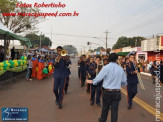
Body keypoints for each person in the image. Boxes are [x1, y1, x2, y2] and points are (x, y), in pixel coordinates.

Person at [93, 53, 127, 122]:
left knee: (105, 107)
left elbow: (98, 78)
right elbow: (124, 82)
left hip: (107, 91)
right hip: (117, 92)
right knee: (114, 110)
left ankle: (102, 120)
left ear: (109, 59)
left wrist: (94, 82)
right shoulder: (120, 69)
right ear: (116, 59)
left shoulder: (105, 68)